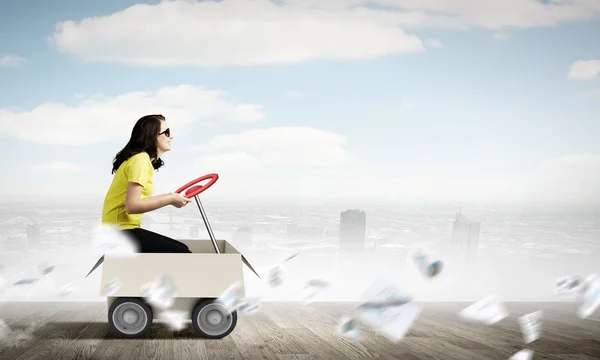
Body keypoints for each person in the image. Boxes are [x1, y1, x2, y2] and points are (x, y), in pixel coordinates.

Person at [101, 114, 193, 253]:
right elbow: (132, 206)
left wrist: (170, 196)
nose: (171, 137)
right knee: (182, 253)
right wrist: (170, 199)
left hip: (122, 229)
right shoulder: (140, 161)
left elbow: (138, 201)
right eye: (166, 133)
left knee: (183, 249)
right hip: (119, 231)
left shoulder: (142, 160)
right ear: (152, 136)